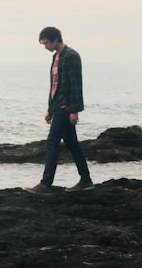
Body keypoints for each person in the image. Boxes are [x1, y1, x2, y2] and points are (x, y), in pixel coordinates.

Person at [25, 27, 93, 194]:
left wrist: (75, 111)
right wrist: (50, 109)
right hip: (58, 107)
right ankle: (86, 180)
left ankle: (45, 184)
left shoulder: (71, 56)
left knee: (52, 142)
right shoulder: (56, 57)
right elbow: (55, 86)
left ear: (56, 39)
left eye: (47, 43)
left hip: (66, 107)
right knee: (73, 144)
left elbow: (76, 85)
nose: (45, 46)